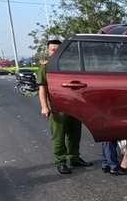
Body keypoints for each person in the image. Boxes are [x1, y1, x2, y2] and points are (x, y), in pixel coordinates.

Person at [36, 39, 93, 174]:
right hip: (57, 108)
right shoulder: (46, 67)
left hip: (74, 106)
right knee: (59, 137)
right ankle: (60, 161)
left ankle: (74, 158)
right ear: (48, 51)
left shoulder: (71, 66)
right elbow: (42, 89)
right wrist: (44, 107)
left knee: (75, 135)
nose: (55, 52)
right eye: (52, 50)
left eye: (58, 50)